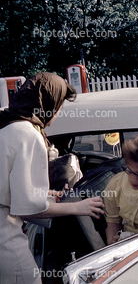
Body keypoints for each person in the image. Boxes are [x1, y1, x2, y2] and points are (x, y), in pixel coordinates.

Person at [0, 72, 105, 284]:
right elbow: (31, 208)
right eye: (59, 108)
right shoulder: (29, 135)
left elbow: (9, 185)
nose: (57, 115)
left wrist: (45, 193)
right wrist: (79, 207)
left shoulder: (6, 126)